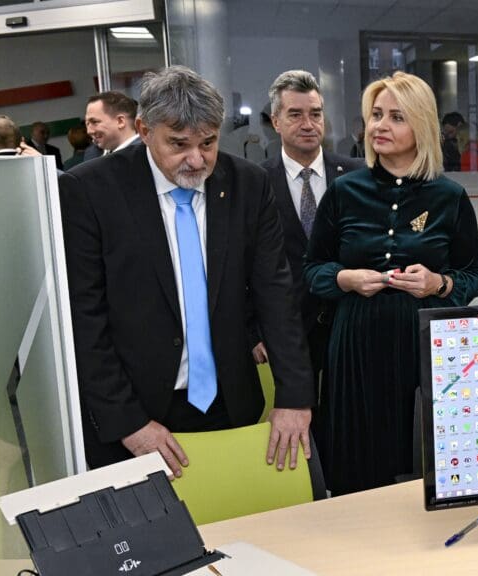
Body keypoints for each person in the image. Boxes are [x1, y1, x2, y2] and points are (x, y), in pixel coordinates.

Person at [60, 66, 314, 477]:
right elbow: (84, 318)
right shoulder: (89, 191)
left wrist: (294, 397)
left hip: (231, 404)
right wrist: (128, 421)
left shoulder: (248, 185)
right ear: (144, 130)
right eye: (178, 144)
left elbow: (275, 294)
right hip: (137, 411)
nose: (196, 159)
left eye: (208, 143)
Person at [304, 72, 478, 495]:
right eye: (376, 115)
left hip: (421, 344)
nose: (380, 126)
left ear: (420, 124)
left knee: (420, 459)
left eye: (396, 117)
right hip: (354, 345)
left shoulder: (449, 196)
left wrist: (439, 284)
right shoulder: (344, 192)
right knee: (357, 462)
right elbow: (312, 269)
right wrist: (344, 279)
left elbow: (475, 274)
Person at [256, 70, 365, 383]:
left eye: (315, 114)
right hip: (285, 331)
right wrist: (253, 331)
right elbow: (242, 263)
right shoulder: (257, 182)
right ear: (275, 121)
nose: (308, 124)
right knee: (296, 425)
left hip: (348, 323)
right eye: (295, 115)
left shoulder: (356, 176)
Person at [83, 91, 139, 159]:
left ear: (120, 121)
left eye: (94, 122)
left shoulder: (146, 154)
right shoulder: (93, 155)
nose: (89, 131)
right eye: (87, 124)